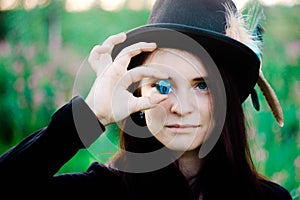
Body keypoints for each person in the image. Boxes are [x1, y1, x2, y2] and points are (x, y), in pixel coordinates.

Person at [0, 0, 292, 199]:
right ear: (137, 91)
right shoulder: (103, 193)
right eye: (163, 85)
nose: (181, 107)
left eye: (202, 85)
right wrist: (91, 116)